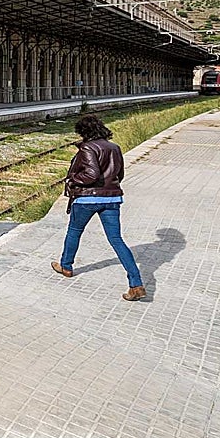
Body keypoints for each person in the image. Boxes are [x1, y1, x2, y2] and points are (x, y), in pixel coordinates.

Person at [51, 114, 145, 301]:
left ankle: (66, 266)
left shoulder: (87, 147)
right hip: (111, 198)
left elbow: (91, 174)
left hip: (87, 199)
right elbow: (120, 175)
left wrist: (72, 180)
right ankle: (136, 283)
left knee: (74, 232)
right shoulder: (115, 148)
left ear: (84, 132)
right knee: (117, 240)